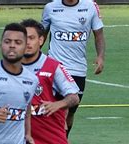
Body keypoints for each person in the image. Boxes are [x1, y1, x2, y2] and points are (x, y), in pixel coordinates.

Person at [41, 0, 106, 136]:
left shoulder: (90, 6)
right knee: (57, 111)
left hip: (78, 69)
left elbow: (98, 34)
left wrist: (100, 57)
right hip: (54, 67)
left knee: (70, 112)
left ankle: (63, 141)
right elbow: (41, 35)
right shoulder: (51, 7)